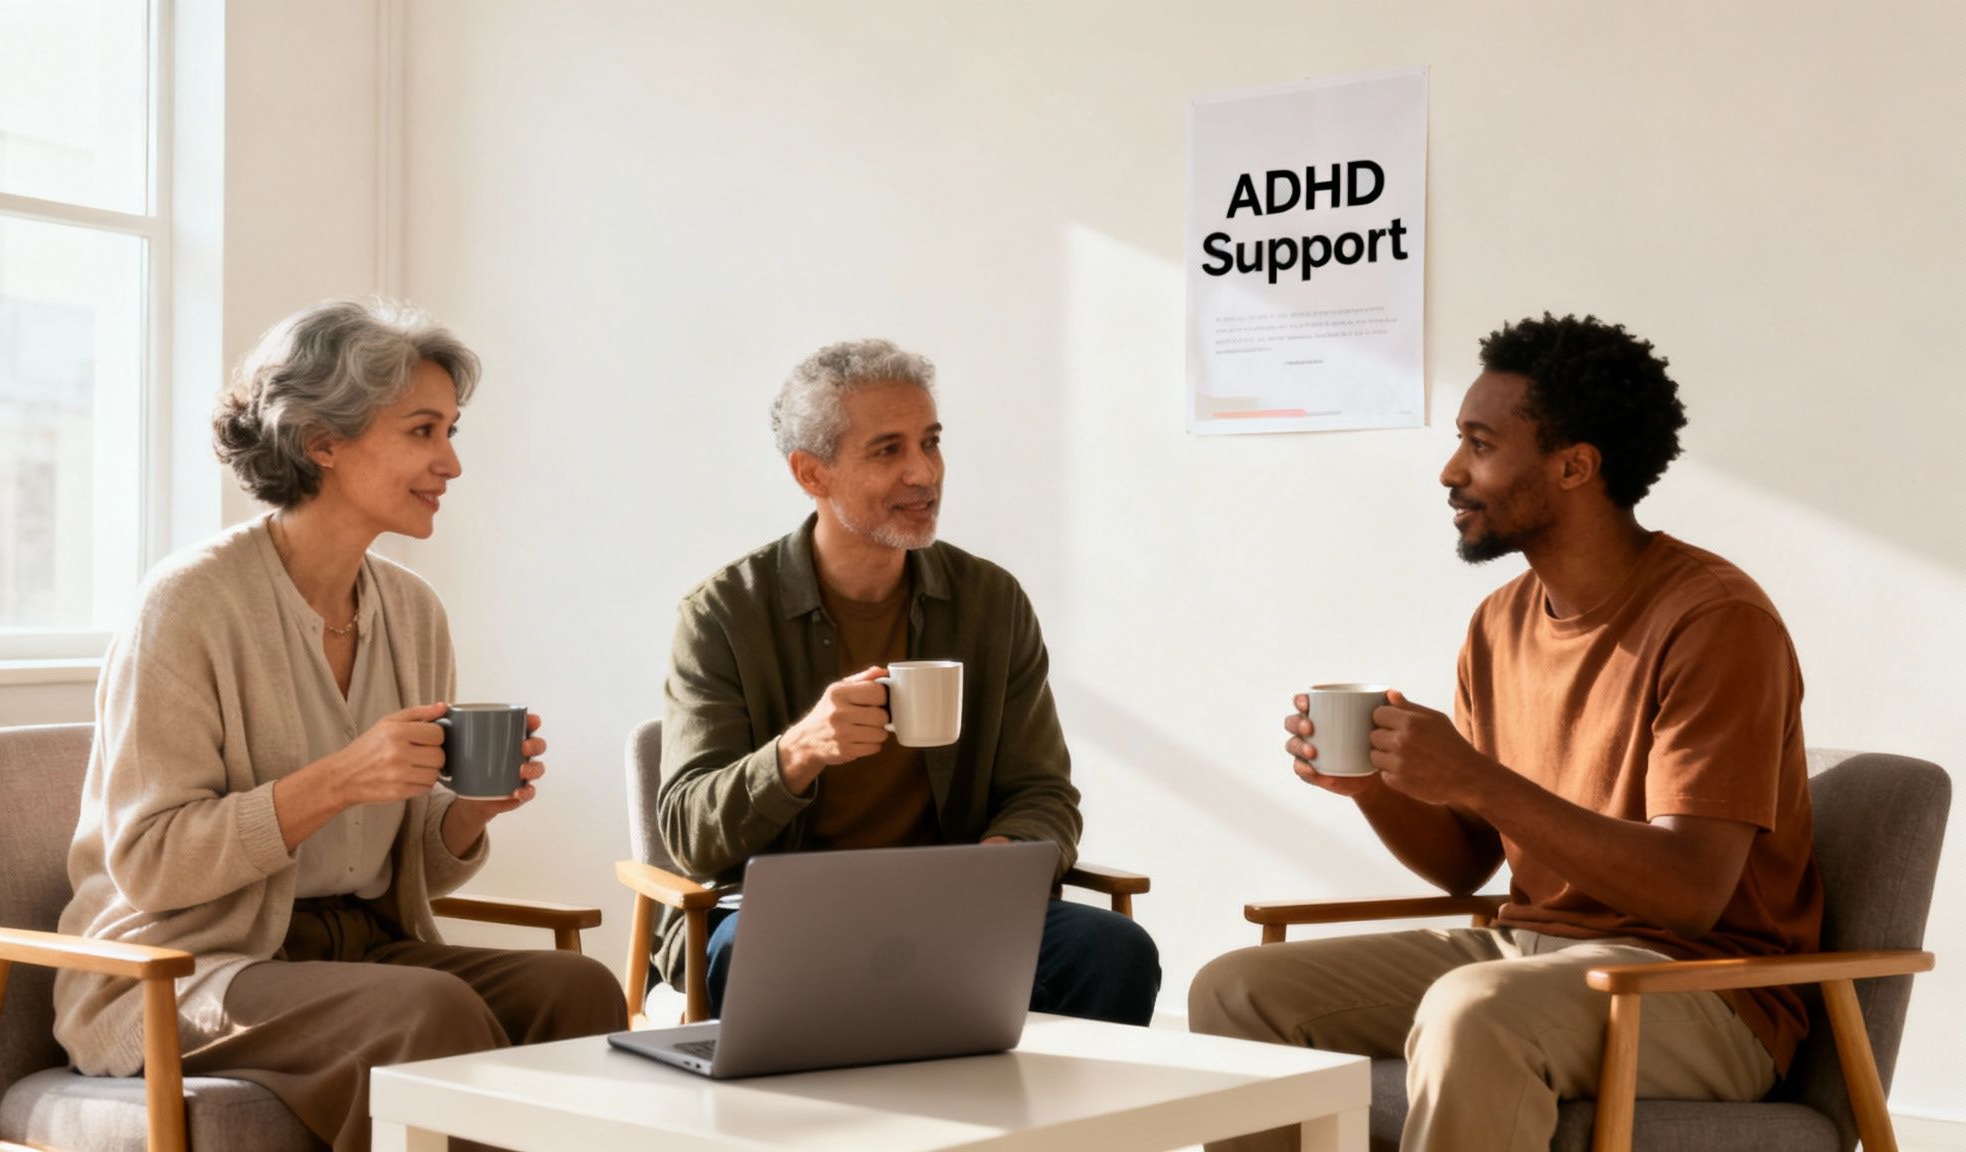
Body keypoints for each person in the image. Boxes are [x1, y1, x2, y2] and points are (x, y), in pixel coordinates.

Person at [1189, 314, 1823, 1151]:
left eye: (1479, 445)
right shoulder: (1500, 622)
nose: (1451, 471)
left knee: (1476, 1011)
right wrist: (1375, 786)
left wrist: (1474, 777)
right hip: (1529, 953)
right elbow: (1465, 862)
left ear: (1575, 466)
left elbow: (1691, 895)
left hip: (1706, 989)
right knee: (1235, 991)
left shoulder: (1715, 621)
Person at [54, 299, 627, 1152]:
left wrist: (467, 816)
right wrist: (337, 781)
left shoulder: (413, 612)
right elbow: (149, 864)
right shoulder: (191, 603)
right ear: (323, 441)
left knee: (579, 990)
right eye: (423, 431)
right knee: (426, 1011)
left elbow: (404, 873)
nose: (452, 463)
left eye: (452, 430)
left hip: (361, 950)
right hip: (186, 965)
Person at [654, 338, 1160, 1024]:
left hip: (956, 913)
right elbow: (688, 830)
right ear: (812, 473)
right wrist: (798, 752)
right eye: (888, 450)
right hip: (791, 915)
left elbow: (1041, 791)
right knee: (750, 952)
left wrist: (993, 869)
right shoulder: (723, 615)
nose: (925, 473)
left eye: (931, 442)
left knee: (1113, 951)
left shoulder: (989, 601)